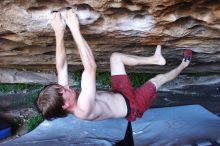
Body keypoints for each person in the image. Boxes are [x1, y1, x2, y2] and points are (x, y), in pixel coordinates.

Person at [36, 9, 192, 122]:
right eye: (64, 91)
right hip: (134, 105)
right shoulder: (83, 109)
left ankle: (155, 59)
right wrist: (75, 29)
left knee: (115, 58)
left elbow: (61, 67)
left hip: (119, 92)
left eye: (61, 87)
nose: (66, 87)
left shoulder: (62, 95)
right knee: (158, 79)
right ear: (65, 105)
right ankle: (183, 65)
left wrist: (59, 32)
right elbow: (90, 67)